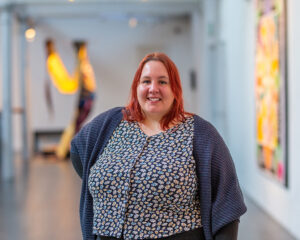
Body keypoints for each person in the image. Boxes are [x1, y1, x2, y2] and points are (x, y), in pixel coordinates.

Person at [70, 52, 247, 240]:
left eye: (162, 82)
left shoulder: (200, 133)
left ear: (175, 89)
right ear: (136, 87)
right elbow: (77, 150)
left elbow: (227, 202)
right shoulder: (110, 123)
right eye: (146, 81)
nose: (153, 88)